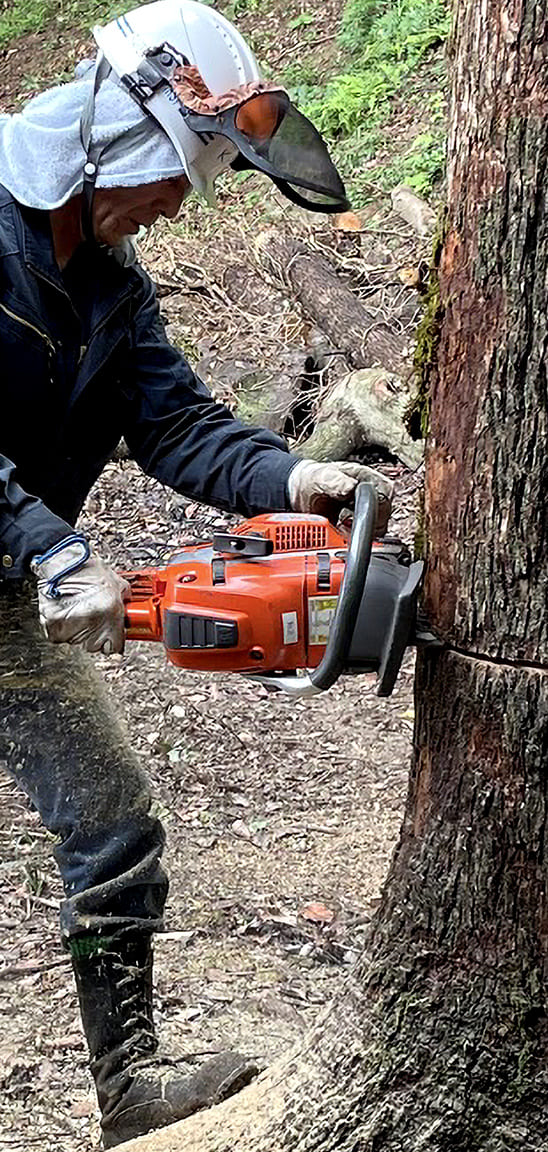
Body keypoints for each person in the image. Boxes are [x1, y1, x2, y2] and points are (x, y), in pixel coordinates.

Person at [0, 1, 393, 1145]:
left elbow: (173, 424)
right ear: (114, 136)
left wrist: (290, 480)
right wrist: (53, 547)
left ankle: (128, 1090)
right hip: (29, 553)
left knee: (112, 824)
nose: (181, 203)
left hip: (13, 575)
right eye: (182, 171)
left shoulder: (113, 284)